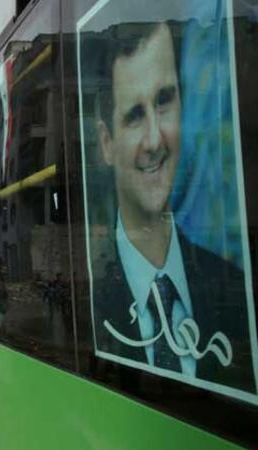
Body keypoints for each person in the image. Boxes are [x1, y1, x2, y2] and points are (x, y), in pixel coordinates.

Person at [90, 22, 254, 391]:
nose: (154, 140)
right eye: (134, 115)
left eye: (164, 100)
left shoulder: (231, 284)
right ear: (106, 143)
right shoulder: (89, 297)